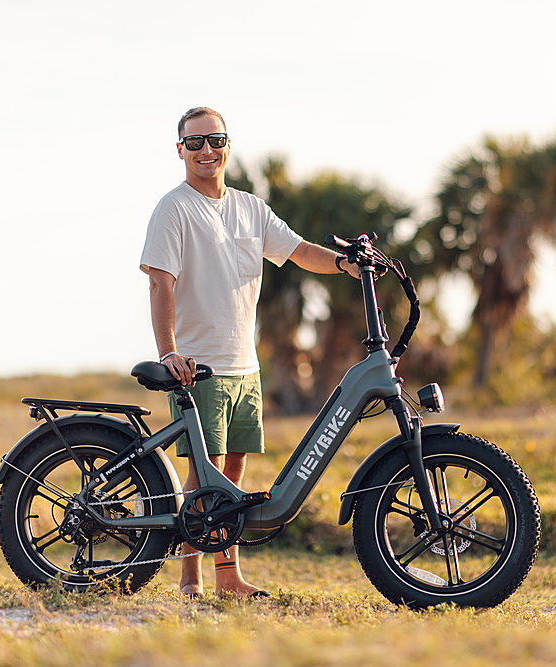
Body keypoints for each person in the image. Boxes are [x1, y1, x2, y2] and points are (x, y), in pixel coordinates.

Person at [139, 107, 358, 598]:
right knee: (206, 474)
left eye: (214, 140)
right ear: (180, 150)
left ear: (227, 145)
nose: (206, 151)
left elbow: (300, 251)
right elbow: (159, 282)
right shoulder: (173, 209)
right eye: (194, 143)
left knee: (232, 474)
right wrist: (169, 351)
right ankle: (190, 579)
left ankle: (227, 578)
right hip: (198, 366)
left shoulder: (250, 208)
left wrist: (347, 263)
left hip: (245, 365)